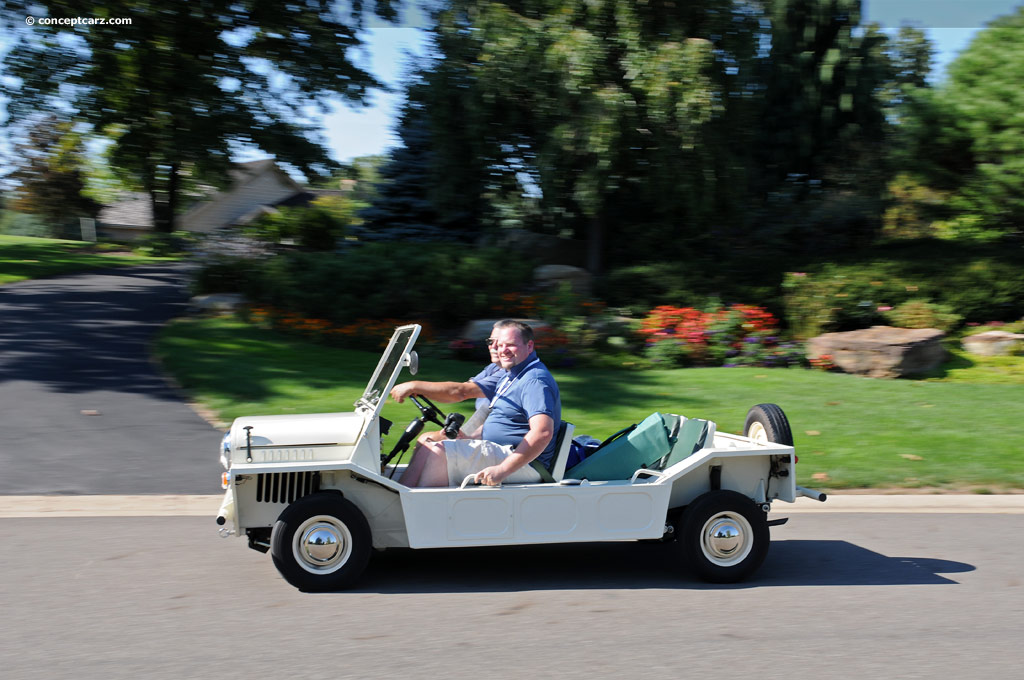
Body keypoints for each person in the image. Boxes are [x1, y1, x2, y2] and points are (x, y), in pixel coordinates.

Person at [390, 319, 561, 487]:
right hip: (503, 451)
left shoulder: (534, 381)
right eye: (499, 345)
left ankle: (424, 511)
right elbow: (499, 420)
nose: (502, 350)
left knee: (440, 451)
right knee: (430, 445)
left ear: (529, 346)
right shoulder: (511, 374)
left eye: (510, 345)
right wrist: (468, 438)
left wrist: (502, 469)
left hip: (524, 462)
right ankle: (398, 501)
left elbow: (543, 432)